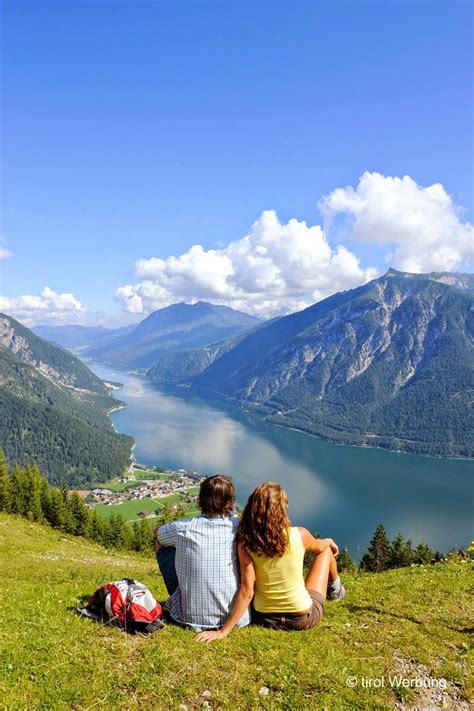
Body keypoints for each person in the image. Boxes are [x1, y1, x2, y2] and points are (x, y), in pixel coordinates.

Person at [195, 481, 345, 642]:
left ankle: (335, 590)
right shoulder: (299, 535)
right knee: (326, 551)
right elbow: (321, 547)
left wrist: (223, 631)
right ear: (280, 511)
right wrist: (329, 541)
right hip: (302, 618)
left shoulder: (246, 543)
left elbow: (247, 591)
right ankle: (336, 591)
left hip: (265, 618)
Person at [154, 474, 251, 632]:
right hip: (236, 618)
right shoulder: (239, 527)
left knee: (162, 543)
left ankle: (181, 596)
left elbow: (157, 535)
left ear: (201, 499)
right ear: (230, 502)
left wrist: (163, 530)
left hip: (188, 618)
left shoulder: (182, 528)